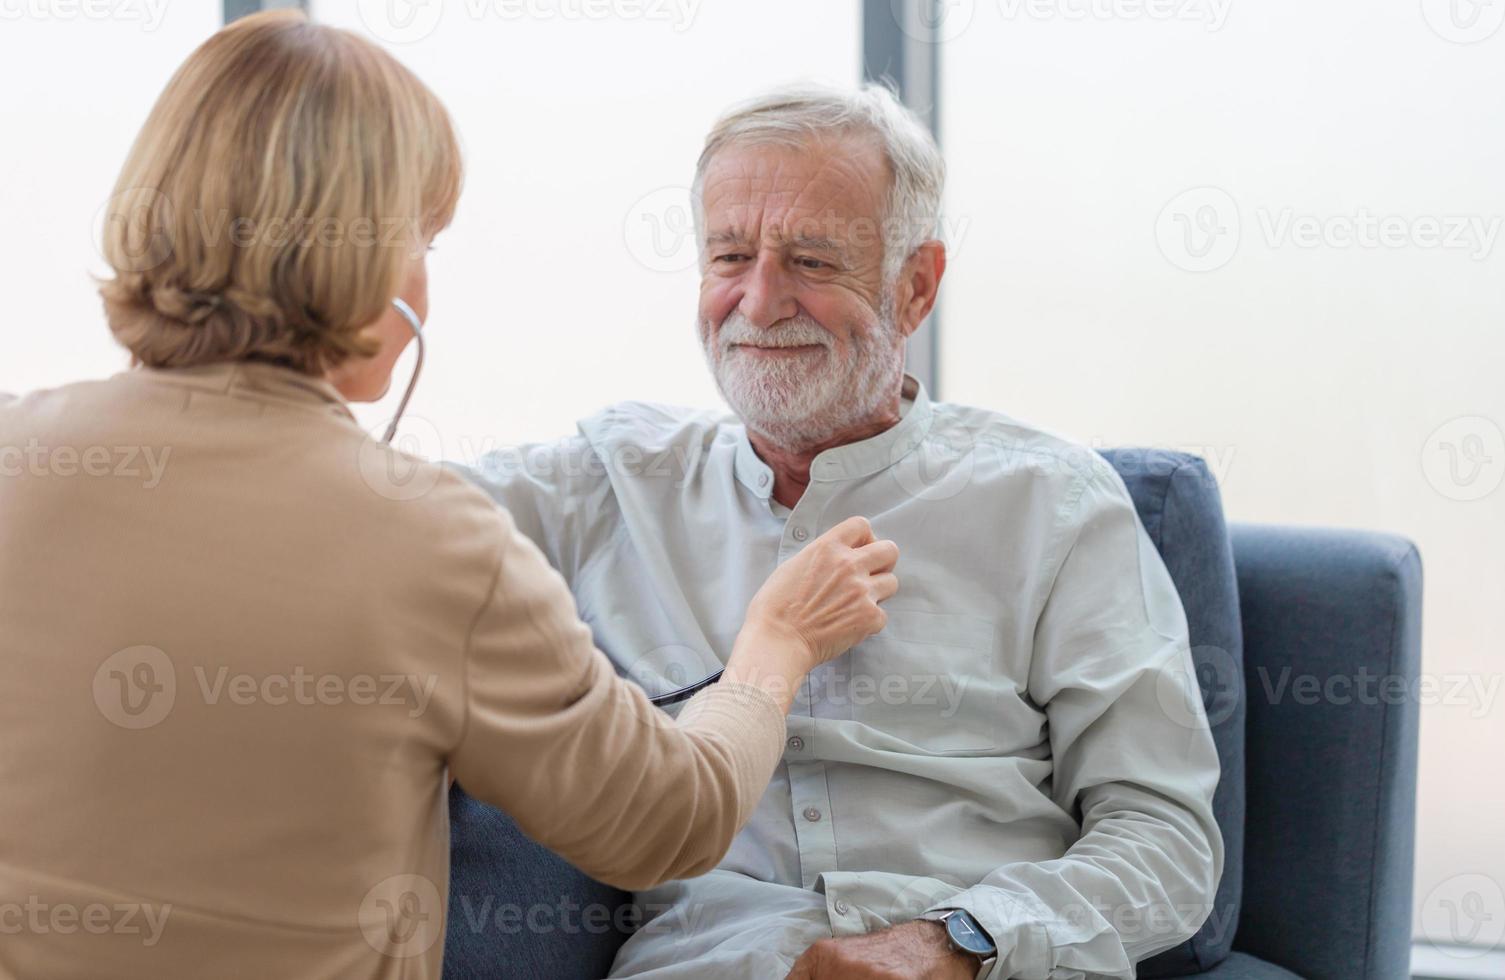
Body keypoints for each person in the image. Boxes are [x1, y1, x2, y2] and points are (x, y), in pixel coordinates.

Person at [0, 17, 900, 980]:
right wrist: (775, 648)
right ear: (369, 268)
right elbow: (669, 824)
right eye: (422, 241)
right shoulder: (434, 544)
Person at [462, 84, 1223, 979]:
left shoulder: (1051, 501)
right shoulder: (605, 482)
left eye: (812, 262)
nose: (759, 301)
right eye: (729, 256)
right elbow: (363, 521)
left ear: (915, 286)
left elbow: (1166, 842)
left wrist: (956, 941)